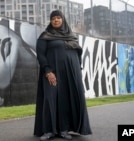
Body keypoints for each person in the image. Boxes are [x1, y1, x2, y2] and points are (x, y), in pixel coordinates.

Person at [33, 10, 92, 140]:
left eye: (58, 17)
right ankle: (49, 131)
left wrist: (77, 70)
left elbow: (77, 54)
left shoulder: (71, 36)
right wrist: (48, 71)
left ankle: (64, 130)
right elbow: (41, 55)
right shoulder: (45, 36)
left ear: (63, 20)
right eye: (53, 18)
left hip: (70, 74)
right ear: (50, 21)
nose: (56, 20)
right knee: (50, 99)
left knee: (65, 100)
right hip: (52, 73)